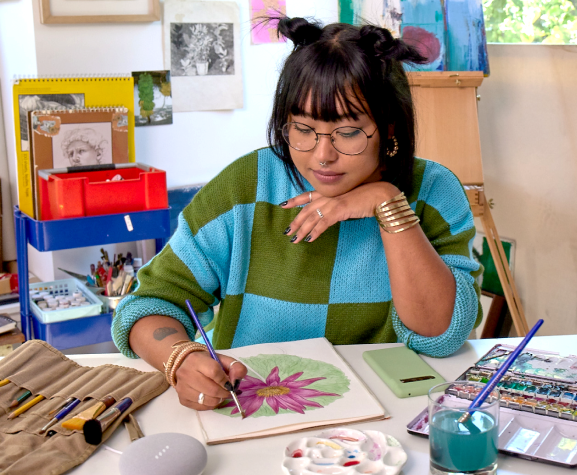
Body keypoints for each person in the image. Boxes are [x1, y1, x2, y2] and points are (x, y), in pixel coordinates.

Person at [112, 18, 483, 411]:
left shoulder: (433, 190)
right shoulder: (247, 185)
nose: (322, 155)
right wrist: (180, 360)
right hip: (250, 412)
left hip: (386, 419)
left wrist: (387, 202)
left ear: (389, 127)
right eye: (303, 129)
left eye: (349, 132)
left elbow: (441, 334)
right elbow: (146, 305)